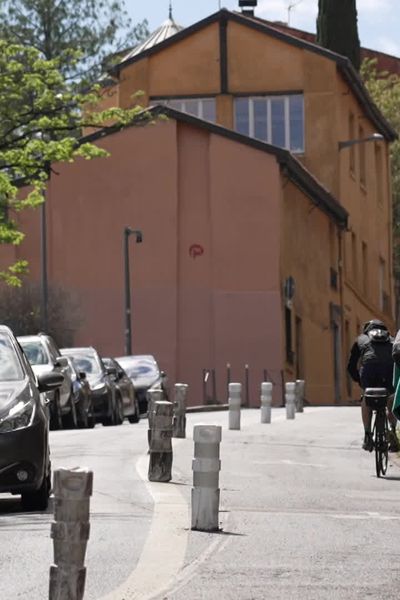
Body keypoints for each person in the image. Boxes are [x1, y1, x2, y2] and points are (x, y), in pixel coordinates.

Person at [347, 319, 398, 452]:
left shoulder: (361, 339)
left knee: (366, 397)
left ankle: (368, 435)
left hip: (369, 370)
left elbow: (351, 366)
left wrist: (359, 381)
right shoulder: (391, 339)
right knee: (390, 398)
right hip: (389, 370)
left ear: (367, 329)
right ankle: (392, 432)